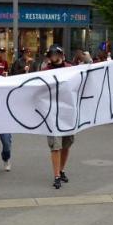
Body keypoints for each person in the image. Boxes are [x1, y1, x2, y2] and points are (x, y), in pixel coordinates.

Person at [41, 45, 74, 189]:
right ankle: (56, 176)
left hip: (67, 113)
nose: (53, 56)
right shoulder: (45, 71)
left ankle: (61, 170)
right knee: (55, 146)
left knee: (67, 144)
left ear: (61, 54)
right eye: (51, 54)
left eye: (55, 53)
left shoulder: (70, 68)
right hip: (52, 113)